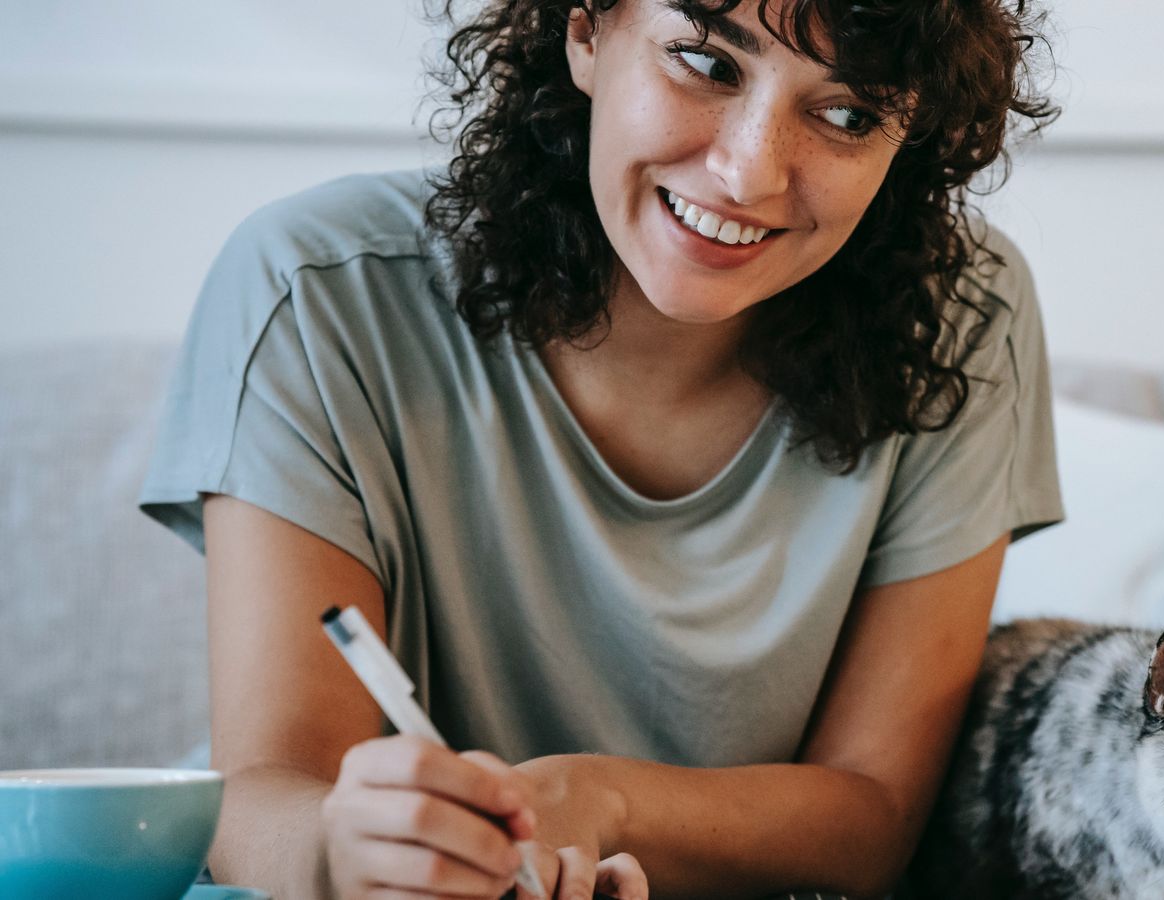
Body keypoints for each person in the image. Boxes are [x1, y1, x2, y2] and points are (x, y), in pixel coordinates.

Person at [138, 0, 1060, 896]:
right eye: (706, 61)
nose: (748, 173)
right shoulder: (314, 293)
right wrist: (343, 857)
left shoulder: (964, 320)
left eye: (850, 112)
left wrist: (594, 800)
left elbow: (873, 818)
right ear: (584, 29)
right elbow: (264, 791)